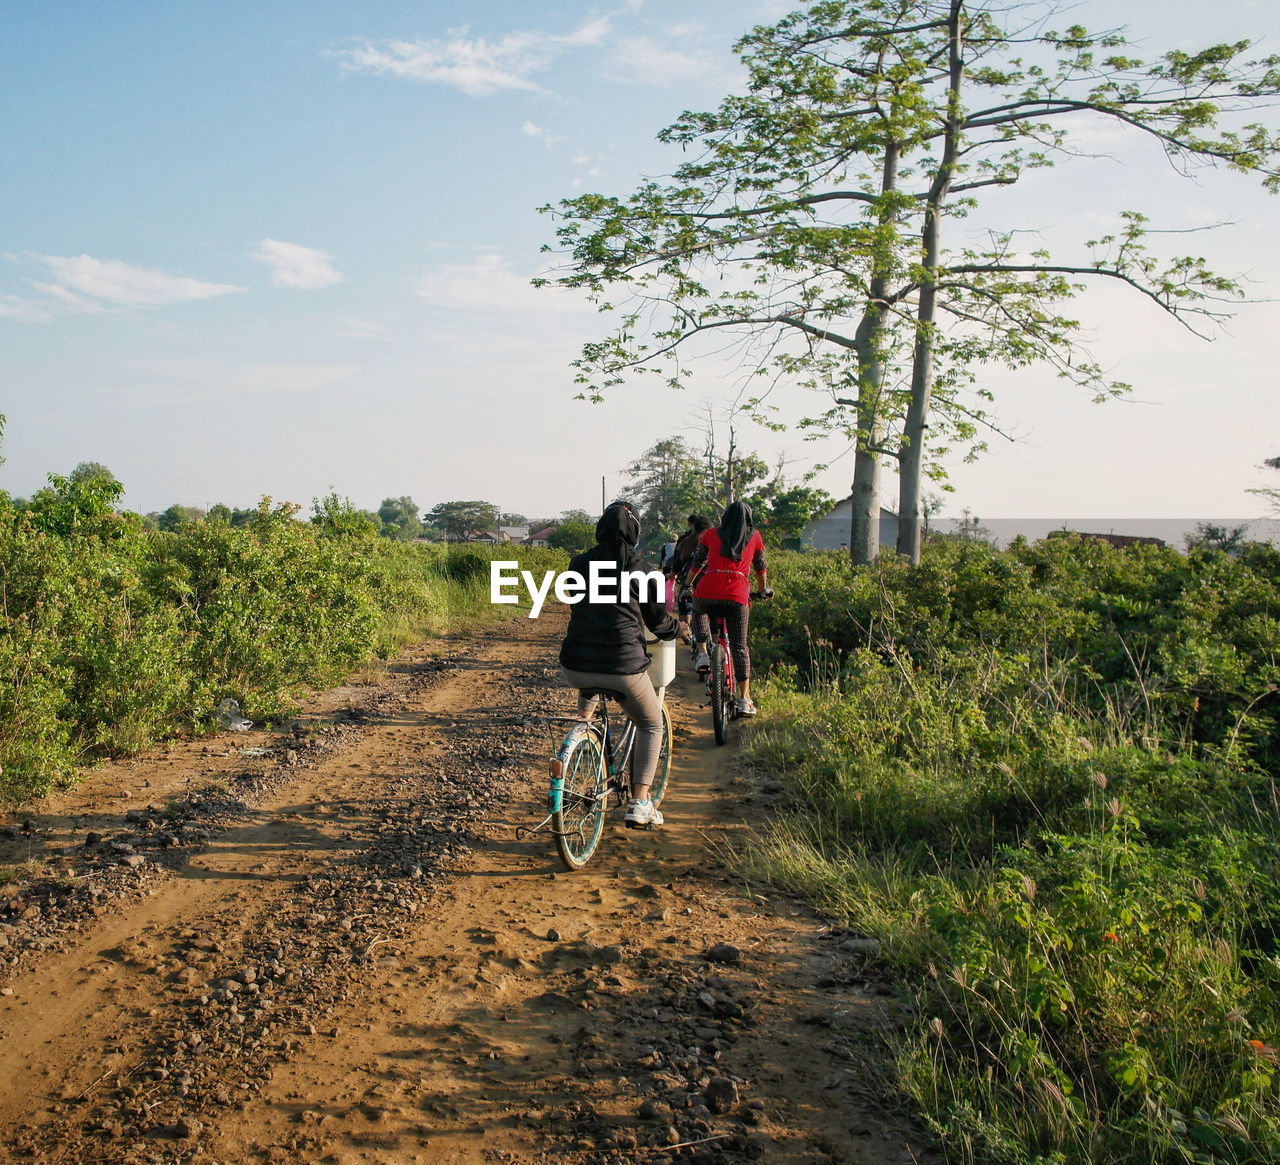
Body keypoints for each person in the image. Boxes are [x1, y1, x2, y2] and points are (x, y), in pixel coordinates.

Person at [559, 501, 689, 828]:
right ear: (635, 533)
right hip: (623, 667)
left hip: (574, 664)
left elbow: (580, 608)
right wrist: (680, 629)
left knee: (592, 662)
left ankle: (582, 728)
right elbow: (658, 623)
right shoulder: (643, 570)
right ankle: (640, 802)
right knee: (651, 724)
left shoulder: (578, 563)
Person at [688, 500, 770, 717]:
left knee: (697, 609)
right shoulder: (755, 536)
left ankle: (704, 654)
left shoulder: (711, 534)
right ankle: (744, 699)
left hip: (708, 589)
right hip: (737, 595)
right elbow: (760, 568)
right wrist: (762, 590)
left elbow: (697, 563)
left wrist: (687, 585)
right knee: (740, 647)